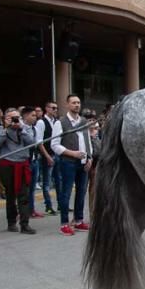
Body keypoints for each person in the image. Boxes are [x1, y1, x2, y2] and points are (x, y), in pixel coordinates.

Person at [51, 94, 92, 236]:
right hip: (68, 162)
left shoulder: (84, 121)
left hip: (83, 163)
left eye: (78, 102)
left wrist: (89, 158)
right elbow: (55, 145)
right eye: (74, 102)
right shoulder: (60, 123)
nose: (77, 105)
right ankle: (64, 223)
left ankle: (78, 220)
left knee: (81, 192)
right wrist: (72, 153)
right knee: (66, 193)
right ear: (67, 105)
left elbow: (88, 141)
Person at [0, 107, 37, 234]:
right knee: (10, 195)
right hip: (7, 165)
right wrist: (6, 127)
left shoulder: (25, 128)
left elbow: (32, 143)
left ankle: (25, 224)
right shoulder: (2, 130)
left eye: (16, 118)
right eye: (11, 118)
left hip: (22, 165)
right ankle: (11, 222)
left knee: (23, 195)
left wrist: (21, 127)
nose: (14, 120)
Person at [37, 100, 59, 216]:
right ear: (46, 108)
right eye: (53, 108)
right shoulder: (41, 122)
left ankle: (60, 204)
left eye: (56, 108)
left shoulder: (56, 121)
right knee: (47, 183)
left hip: (57, 155)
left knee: (59, 181)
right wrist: (47, 156)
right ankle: (49, 206)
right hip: (48, 155)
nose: (55, 110)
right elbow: (39, 142)